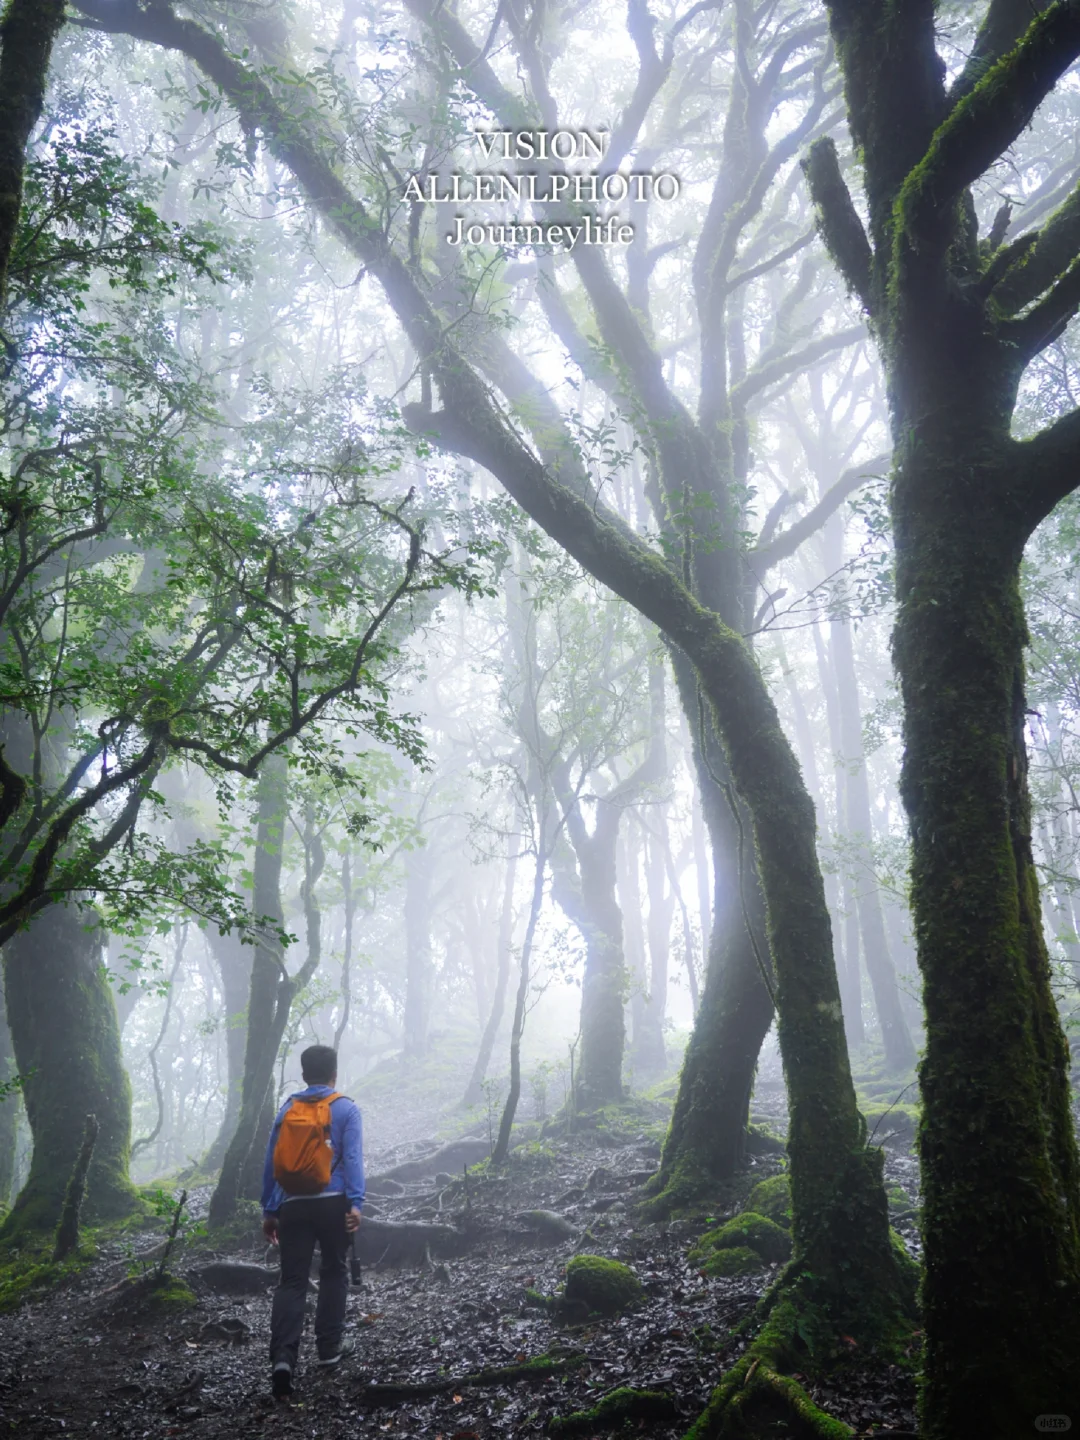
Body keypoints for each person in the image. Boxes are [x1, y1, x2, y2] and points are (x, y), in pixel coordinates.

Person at [261, 1044, 364, 1399]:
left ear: (304, 1075)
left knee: (291, 1282)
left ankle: (283, 1360)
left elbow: (272, 1164)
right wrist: (356, 1203)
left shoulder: (287, 1109)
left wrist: (270, 1210)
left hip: (293, 1205)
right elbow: (352, 1159)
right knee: (334, 1270)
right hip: (333, 1203)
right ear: (334, 1073)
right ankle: (329, 1350)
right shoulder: (346, 1108)